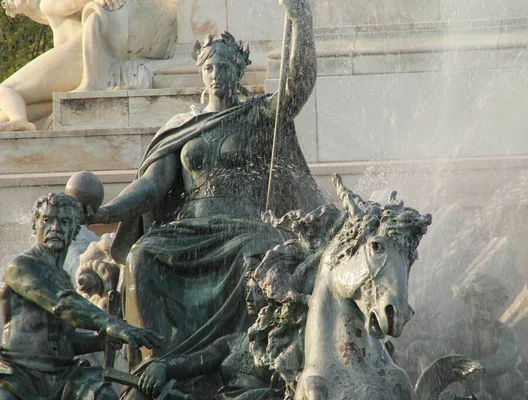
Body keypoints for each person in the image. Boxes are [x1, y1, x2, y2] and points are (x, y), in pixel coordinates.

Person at [85, 0, 324, 362]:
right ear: (201, 73)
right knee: (142, 257)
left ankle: (244, 361)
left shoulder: (257, 116)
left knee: (259, 255)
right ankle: (156, 361)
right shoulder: (184, 128)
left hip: (243, 224)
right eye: (209, 67)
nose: (216, 74)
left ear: (239, 71)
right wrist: (106, 211)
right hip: (192, 227)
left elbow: (297, 88)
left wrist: (301, 20)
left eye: (224, 66)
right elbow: (152, 185)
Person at [0, 193, 163, 399]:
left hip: (63, 375)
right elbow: (62, 304)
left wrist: (100, 341)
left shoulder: (64, 278)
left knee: (104, 396)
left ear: (76, 230)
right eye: (47, 220)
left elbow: (64, 340)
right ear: (35, 226)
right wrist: (111, 323)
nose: (55, 227)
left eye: (65, 221)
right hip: (21, 375)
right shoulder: (21, 266)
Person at [0, 0, 176, 131]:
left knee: (5, 89)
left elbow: (71, 3)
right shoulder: (45, 12)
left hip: (81, 58)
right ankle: (18, 119)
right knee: (13, 110)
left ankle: (19, 121)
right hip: (82, 61)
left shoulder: (47, 4)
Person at [122, 270, 280, 400]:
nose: (249, 298)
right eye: (248, 290)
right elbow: (193, 362)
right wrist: (163, 366)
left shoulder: (286, 342)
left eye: (258, 291)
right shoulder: (232, 342)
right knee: (141, 392)